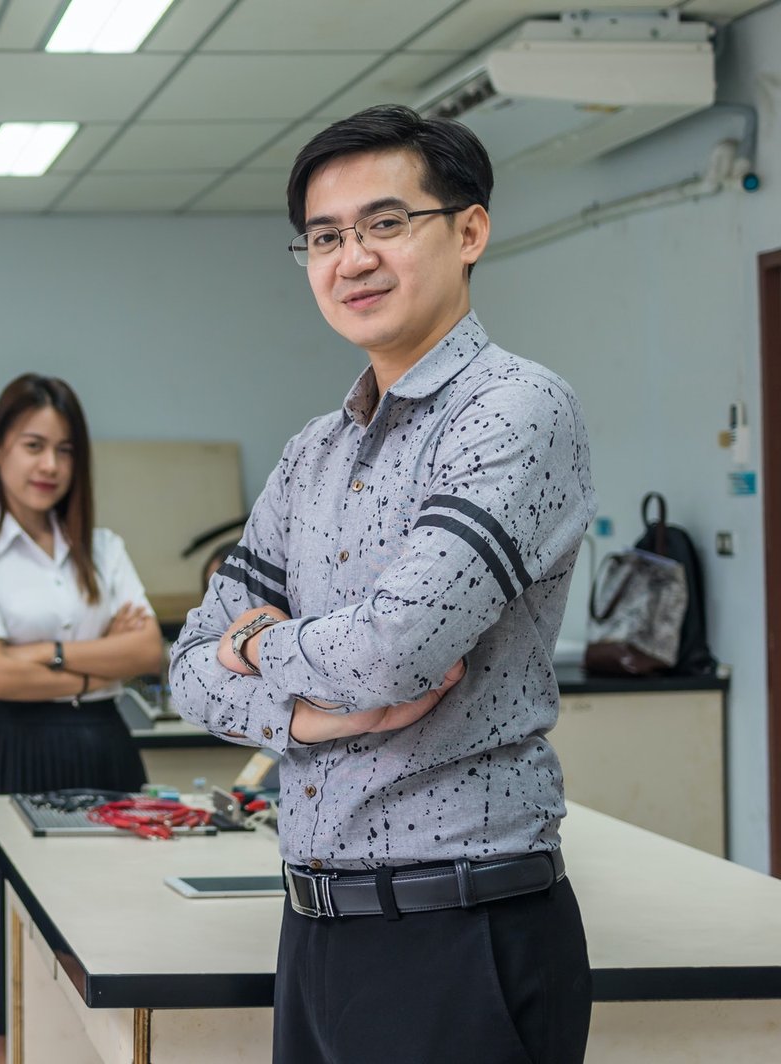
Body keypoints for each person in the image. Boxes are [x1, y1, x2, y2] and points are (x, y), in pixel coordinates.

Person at [169, 104, 596, 1063]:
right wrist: (307, 718)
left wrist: (257, 646)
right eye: (325, 237)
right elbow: (187, 669)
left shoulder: (516, 410)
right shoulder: (313, 453)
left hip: (460, 926)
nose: (351, 258)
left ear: (469, 229)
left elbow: (393, 650)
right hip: (316, 926)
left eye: (386, 224)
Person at [0, 373, 165, 1060]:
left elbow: (149, 649)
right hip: (16, 753)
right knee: (11, 970)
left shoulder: (103, 546)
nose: (50, 466)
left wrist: (47, 652)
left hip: (107, 749)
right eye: (34, 445)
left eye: (65, 451)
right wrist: (101, 657)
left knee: (111, 951)